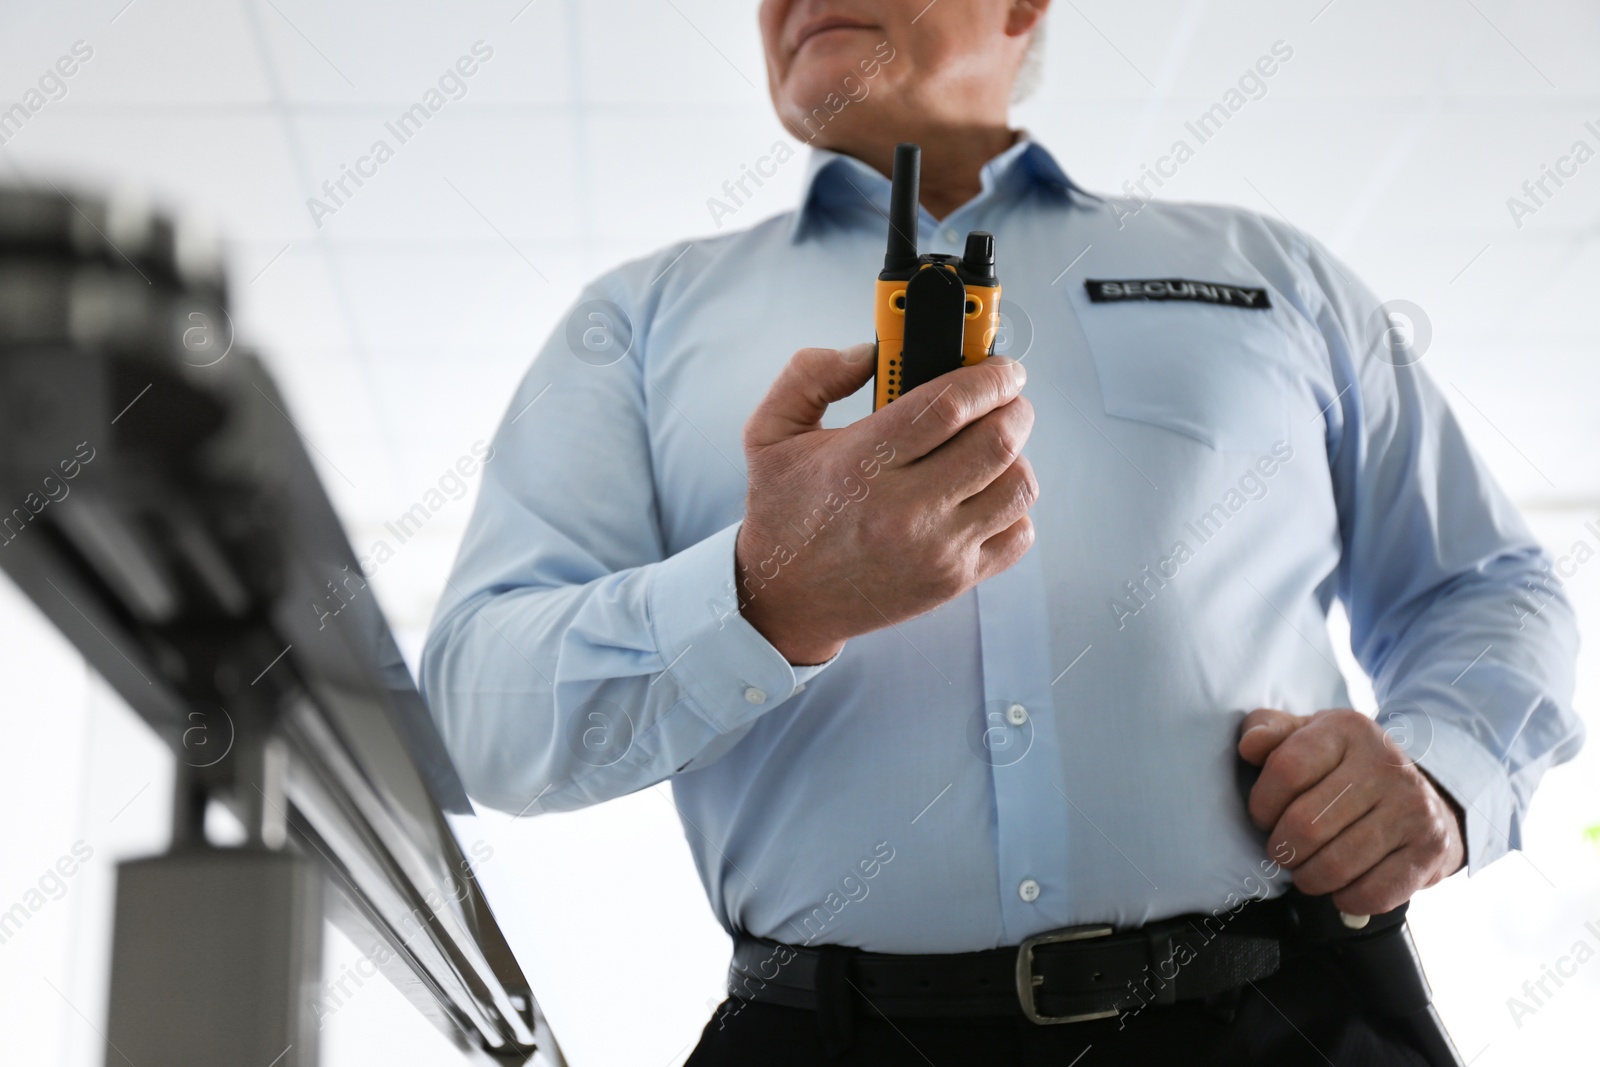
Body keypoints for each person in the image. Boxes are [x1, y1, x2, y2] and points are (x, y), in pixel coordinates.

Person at [420, 1, 1582, 1063]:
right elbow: (478, 716)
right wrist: (766, 597)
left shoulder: (1273, 276)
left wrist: (1442, 771)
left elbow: (1485, 584)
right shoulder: (633, 323)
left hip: (1285, 1019)